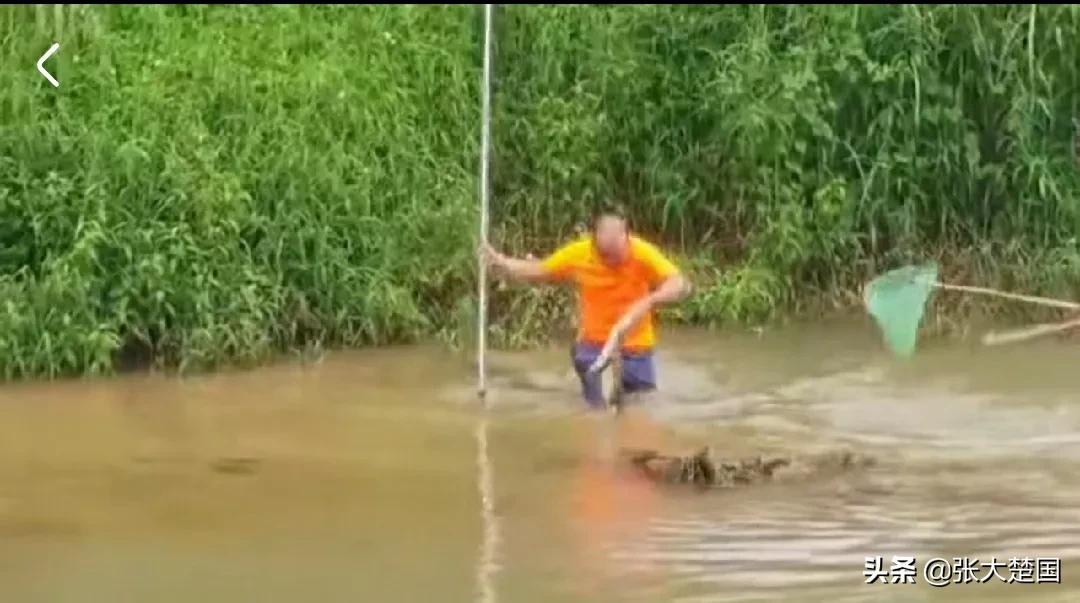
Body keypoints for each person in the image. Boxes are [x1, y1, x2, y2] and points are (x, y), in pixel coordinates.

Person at [482, 204, 691, 408]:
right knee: (596, 412)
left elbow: (678, 283)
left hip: (636, 347)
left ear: (627, 236)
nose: (613, 260)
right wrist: (503, 263)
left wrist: (648, 301)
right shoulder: (579, 253)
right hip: (593, 345)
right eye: (606, 254)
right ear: (594, 240)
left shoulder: (643, 253)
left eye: (618, 252)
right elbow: (540, 270)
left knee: (641, 409)